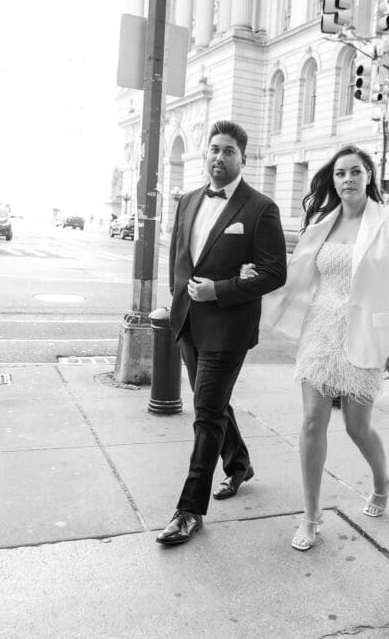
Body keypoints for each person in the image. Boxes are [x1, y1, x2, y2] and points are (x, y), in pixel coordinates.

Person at [248, 144, 389, 552]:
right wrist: (258, 275)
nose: (347, 179)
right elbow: (297, 273)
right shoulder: (322, 222)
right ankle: (310, 516)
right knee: (311, 422)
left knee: (357, 427)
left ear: (369, 176)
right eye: (340, 173)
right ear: (333, 180)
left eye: (355, 171)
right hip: (320, 333)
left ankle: (382, 481)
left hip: (367, 335)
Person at [155, 120, 288, 546]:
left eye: (229, 151)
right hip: (187, 323)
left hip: (228, 328)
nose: (219, 157)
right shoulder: (188, 200)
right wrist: (177, 299)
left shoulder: (260, 208)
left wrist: (221, 290)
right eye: (214, 149)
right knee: (212, 402)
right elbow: (179, 257)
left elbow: (274, 272)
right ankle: (239, 464)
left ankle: (189, 510)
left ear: (242, 159)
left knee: (206, 414)